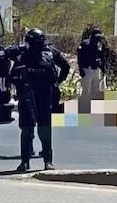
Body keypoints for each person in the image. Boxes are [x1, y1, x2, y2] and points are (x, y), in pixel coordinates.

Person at [7, 27, 70, 172]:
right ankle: (25, 161)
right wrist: (20, 83)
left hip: (44, 97)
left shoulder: (50, 54)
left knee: (44, 130)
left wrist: (56, 82)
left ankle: (47, 161)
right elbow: (12, 75)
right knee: (27, 130)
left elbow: (65, 66)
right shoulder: (22, 55)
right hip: (28, 97)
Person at [77, 28, 110, 108]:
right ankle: (84, 107)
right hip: (87, 70)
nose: (98, 38)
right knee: (86, 91)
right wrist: (81, 69)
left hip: (96, 70)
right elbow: (79, 57)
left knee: (96, 90)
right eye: (97, 36)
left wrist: (103, 69)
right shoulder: (85, 43)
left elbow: (102, 57)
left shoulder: (99, 44)